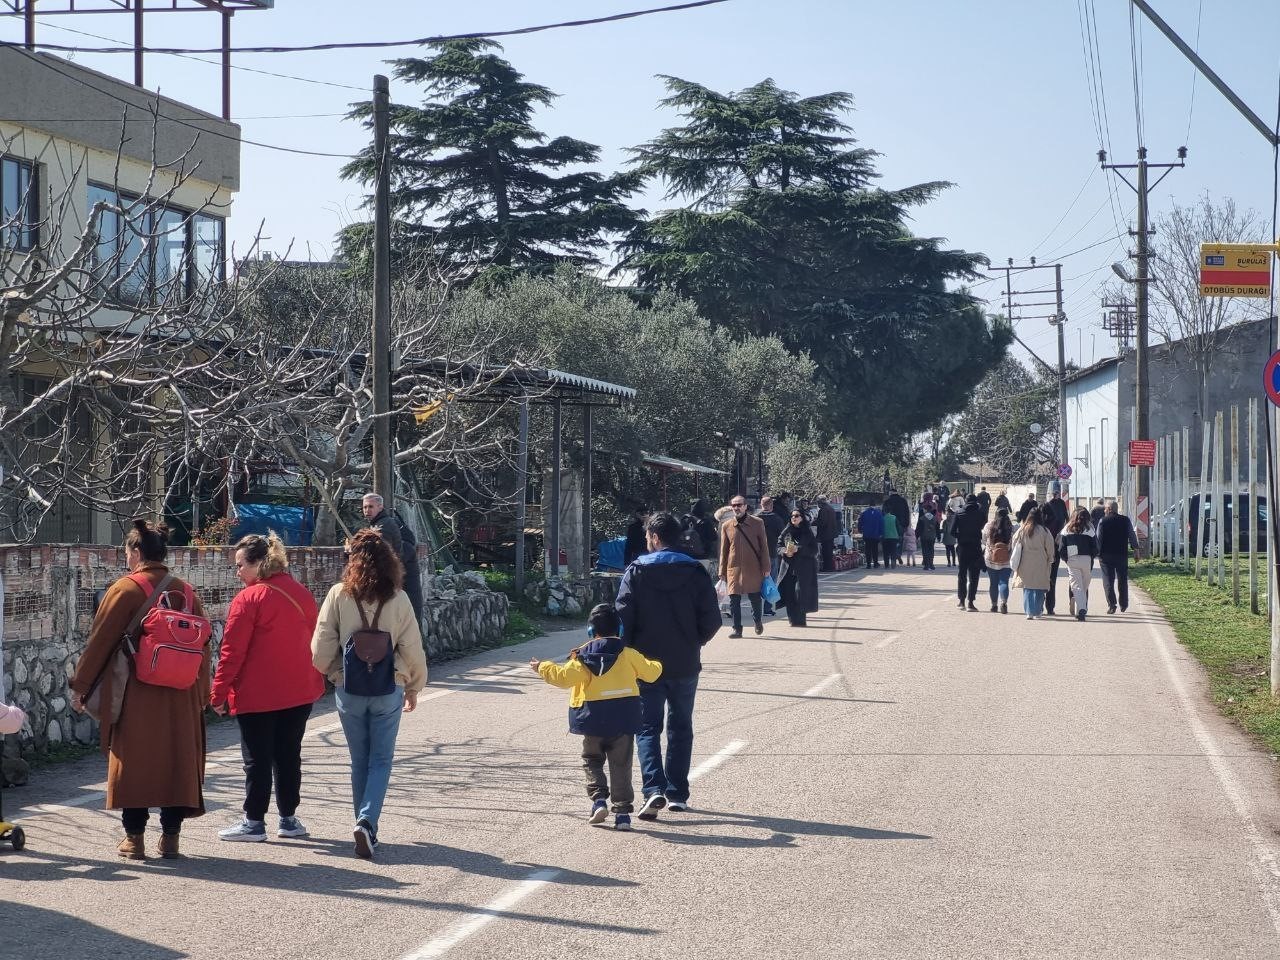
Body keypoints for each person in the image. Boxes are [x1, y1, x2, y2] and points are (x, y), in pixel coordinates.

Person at [69, 519, 210, 860]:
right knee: (177, 761)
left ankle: (134, 839)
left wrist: (81, 686)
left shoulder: (125, 589)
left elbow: (99, 642)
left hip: (137, 690)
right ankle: (171, 838)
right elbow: (204, 648)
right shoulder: (187, 592)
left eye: (127, 551)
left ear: (135, 552)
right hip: (182, 692)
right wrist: (202, 694)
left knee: (134, 761)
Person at [312, 528, 428, 858]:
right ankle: (367, 822)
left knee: (358, 760)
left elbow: (321, 646)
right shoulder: (398, 597)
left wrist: (335, 673)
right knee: (381, 760)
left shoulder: (338, 594)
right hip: (387, 687)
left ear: (352, 560)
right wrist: (413, 684)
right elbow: (412, 647)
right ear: (388, 560)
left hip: (350, 687)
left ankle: (363, 824)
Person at [211, 532, 326, 843]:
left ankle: (253, 821)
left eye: (239, 565)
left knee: (257, 759)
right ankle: (288, 818)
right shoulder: (301, 592)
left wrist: (218, 694)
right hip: (299, 689)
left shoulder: (248, 599)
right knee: (289, 755)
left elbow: (231, 653)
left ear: (258, 564)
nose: (237, 572)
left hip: (257, 693)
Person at [615, 512, 721, 819]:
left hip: (646, 664)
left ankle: (654, 790)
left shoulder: (636, 570)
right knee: (681, 726)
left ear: (655, 537)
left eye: (648, 537)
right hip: (685, 661)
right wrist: (695, 641)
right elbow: (712, 619)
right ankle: (677, 793)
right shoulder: (695, 571)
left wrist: (630, 651)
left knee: (647, 727)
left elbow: (622, 617)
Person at [530, 604, 662, 831]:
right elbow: (651, 673)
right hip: (623, 721)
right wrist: (657, 662)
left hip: (592, 719)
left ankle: (599, 799)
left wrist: (543, 667)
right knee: (621, 765)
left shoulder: (582, 657)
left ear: (591, 631)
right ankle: (622, 814)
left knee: (592, 760)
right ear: (620, 629)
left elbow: (563, 678)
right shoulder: (628, 654)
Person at [361, 494, 423, 628]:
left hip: (401, 585)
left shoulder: (383, 527)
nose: (367, 510)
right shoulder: (381, 524)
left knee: (405, 628)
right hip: (403, 585)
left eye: (371, 507)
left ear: (380, 507)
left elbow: (380, 557)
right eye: (365, 507)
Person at [718, 495, 770, 638]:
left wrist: (766, 567)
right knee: (734, 600)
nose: (736, 508)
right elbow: (724, 550)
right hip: (733, 568)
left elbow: (764, 547)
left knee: (755, 598)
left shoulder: (757, 523)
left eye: (739, 505)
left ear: (746, 506)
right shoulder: (727, 526)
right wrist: (721, 570)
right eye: (734, 505)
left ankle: (758, 621)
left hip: (753, 567)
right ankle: (737, 629)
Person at [1095, 500, 1141, 614]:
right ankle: (1124, 604)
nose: (1104, 510)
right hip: (1121, 555)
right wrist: (1136, 549)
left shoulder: (1102, 521)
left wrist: (1096, 553)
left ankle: (1112, 605)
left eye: (1105, 509)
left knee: (1108, 581)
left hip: (1106, 557)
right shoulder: (1125, 520)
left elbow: (1098, 539)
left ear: (1109, 509)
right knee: (1122, 579)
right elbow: (1132, 535)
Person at [777, 507, 820, 627]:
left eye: (797, 516)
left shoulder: (807, 532)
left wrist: (798, 549)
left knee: (800, 593)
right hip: (788, 567)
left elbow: (814, 550)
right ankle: (792, 619)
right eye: (792, 516)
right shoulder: (786, 531)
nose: (794, 518)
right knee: (789, 593)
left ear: (802, 518)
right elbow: (778, 545)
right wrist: (784, 551)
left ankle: (801, 619)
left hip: (804, 568)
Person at [1011, 507, 1056, 620]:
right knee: (1039, 587)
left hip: (1025, 561)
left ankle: (1029, 611)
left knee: (1028, 587)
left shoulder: (1022, 529)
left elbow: (1014, 541)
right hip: (1040, 561)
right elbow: (1050, 547)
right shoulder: (1044, 530)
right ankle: (1037, 611)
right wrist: (1050, 558)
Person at [1060, 507, 1099, 621]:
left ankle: (1079, 604)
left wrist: (1066, 559)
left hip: (1072, 560)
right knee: (1084, 585)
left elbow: (1061, 548)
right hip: (1086, 560)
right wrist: (1091, 557)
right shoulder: (1090, 530)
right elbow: (1095, 548)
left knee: (1077, 586)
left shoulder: (1066, 529)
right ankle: (1081, 609)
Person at [953, 495, 986, 611]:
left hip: (962, 547)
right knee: (974, 576)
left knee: (962, 575)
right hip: (976, 547)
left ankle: (961, 601)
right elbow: (983, 525)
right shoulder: (981, 513)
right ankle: (971, 603)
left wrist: (961, 536)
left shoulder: (959, 513)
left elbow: (953, 531)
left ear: (965, 501)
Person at [1042, 488, 1070, 616]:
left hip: (1042, 554)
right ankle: (1050, 607)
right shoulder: (1060, 526)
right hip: (1055, 551)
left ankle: (1039, 604)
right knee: (1052, 579)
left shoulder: (1041, 527)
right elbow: (1067, 520)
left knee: (1040, 578)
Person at [758, 495, 787, 616]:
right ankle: (767, 608)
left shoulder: (754, 518)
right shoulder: (777, 519)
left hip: (756, 554)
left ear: (761, 504)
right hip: (771, 552)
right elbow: (783, 535)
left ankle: (756, 607)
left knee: (756, 581)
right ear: (771, 505)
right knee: (770, 580)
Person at [982, 508, 1014, 614]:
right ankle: (1004, 603)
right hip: (1006, 559)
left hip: (991, 559)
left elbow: (983, 539)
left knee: (993, 583)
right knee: (1004, 582)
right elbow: (1015, 542)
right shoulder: (1011, 527)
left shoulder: (989, 526)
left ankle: (994, 605)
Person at [814, 497, 841, 572]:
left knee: (826, 551)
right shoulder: (830, 508)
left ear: (820, 503)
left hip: (825, 533)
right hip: (831, 533)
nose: (818, 505)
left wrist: (814, 522)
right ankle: (830, 566)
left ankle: (827, 567)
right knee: (829, 551)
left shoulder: (823, 510)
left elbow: (823, 522)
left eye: (818, 503)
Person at [858, 503, 884, 568]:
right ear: (875, 506)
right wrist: (881, 533)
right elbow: (881, 524)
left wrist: (860, 530)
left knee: (867, 549)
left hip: (867, 534)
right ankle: (875, 563)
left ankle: (868, 564)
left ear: (869, 505)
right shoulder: (879, 513)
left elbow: (860, 522)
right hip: (876, 534)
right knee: (875, 549)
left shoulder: (864, 513)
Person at [915, 506, 939, 570]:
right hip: (932, 536)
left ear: (925, 510)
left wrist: (916, 536)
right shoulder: (935, 518)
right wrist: (938, 537)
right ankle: (931, 564)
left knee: (925, 550)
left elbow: (918, 529)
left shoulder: (922, 518)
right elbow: (937, 528)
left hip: (924, 536)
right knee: (931, 550)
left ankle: (926, 565)